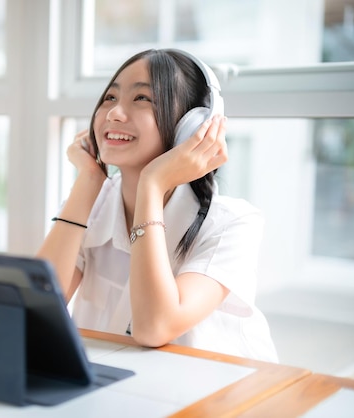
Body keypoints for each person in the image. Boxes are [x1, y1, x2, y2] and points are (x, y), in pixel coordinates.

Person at [37, 48, 278, 362]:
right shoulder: (94, 203)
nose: (114, 114)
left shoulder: (232, 224)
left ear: (191, 126)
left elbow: (153, 328)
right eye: (110, 98)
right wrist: (88, 179)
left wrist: (152, 184)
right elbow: (34, 315)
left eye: (141, 99)